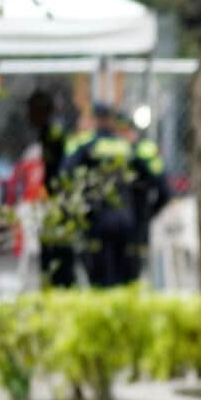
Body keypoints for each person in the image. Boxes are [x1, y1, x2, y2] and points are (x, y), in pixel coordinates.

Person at [61, 103, 154, 287]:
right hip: (126, 219)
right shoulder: (127, 146)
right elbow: (150, 179)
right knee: (124, 278)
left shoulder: (86, 145)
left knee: (100, 278)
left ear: (95, 120)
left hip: (96, 219)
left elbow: (65, 174)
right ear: (112, 120)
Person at [26, 90, 77, 288]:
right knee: (50, 247)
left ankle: (60, 287)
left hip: (61, 203)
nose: (28, 116)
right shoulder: (46, 132)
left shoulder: (55, 133)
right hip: (54, 202)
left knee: (59, 250)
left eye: (32, 111)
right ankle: (52, 285)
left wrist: (59, 197)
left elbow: (65, 169)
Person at [116, 111, 174, 283]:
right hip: (135, 216)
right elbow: (164, 190)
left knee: (127, 270)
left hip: (133, 216)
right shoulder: (140, 149)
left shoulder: (143, 150)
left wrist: (149, 213)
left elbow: (164, 190)